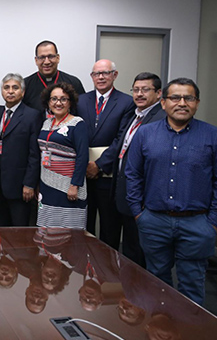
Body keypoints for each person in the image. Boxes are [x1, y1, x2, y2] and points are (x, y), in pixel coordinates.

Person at [126, 78, 217, 305]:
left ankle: (189, 326)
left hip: (197, 224)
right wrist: (138, 213)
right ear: (163, 103)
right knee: (156, 281)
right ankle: (160, 323)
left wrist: (213, 221)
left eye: (188, 98)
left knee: (192, 285)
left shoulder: (214, 136)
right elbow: (132, 175)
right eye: (175, 97)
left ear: (197, 103)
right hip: (153, 221)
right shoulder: (145, 134)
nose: (182, 103)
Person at [77, 59, 134, 246]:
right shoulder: (81, 100)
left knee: (110, 226)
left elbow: (122, 138)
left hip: (108, 174)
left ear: (114, 75)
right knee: (83, 226)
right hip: (82, 174)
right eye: (96, 74)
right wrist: (84, 164)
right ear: (92, 77)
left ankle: (108, 264)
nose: (101, 77)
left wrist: (99, 165)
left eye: (105, 73)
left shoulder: (127, 102)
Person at [112, 72, 165, 267]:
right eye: (136, 90)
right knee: (131, 249)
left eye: (145, 90)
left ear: (158, 93)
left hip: (144, 200)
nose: (139, 94)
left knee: (142, 254)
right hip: (129, 195)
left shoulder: (161, 119)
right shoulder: (136, 116)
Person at [36, 83, 89, 228]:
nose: (58, 103)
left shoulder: (77, 124)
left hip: (68, 186)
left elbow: (83, 157)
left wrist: (75, 185)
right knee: (47, 229)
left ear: (70, 102)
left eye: (63, 99)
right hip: (47, 185)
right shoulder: (46, 123)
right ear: (48, 102)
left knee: (69, 230)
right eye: (54, 99)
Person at [0, 73, 42, 227]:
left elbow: (35, 154)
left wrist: (29, 184)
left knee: (19, 229)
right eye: (6, 87)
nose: (10, 91)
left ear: (23, 91)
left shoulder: (32, 115)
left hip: (19, 184)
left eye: (15, 88)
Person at [23, 40, 85, 114]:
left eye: (51, 56)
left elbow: (82, 111)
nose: (46, 62)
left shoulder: (73, 82)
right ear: (36, 60)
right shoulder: (25, 85)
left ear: (58, 58)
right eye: (42, 57)